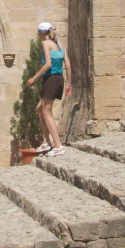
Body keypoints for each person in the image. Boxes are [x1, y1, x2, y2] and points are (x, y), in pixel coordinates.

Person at [26, 21, 72, 157]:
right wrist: (69, 83)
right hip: (59, 79)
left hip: (51, 79)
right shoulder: (60, 45)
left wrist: (33, 78)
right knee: (39, 109)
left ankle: (58, 146)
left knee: (47, 112)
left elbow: (48, 64)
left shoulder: (46, 43)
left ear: (41, 33)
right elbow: (68, 65)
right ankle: (47, 142)